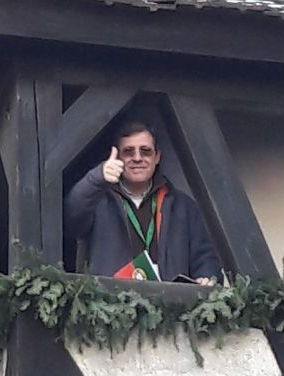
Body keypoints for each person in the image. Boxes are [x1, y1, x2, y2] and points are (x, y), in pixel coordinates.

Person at [65, 120, 221, 284]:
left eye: (145, 151)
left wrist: (207, 277)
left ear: (157, 157)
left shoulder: (183, 205)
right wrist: (97, 178)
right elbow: (70, 221)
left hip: (170, 300)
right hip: (109, 298)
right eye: (128, 151)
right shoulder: (97, 200)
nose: (137, 158)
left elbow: (205, 257)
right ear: (118, 157)